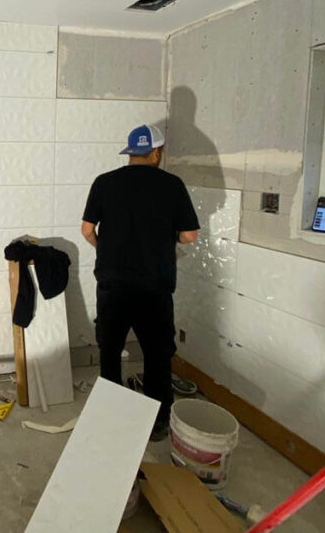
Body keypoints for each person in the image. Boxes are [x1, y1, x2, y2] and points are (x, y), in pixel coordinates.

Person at [80, 123, 199, 440]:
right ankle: (157, 423)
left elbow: (87, 230)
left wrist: (106, 250)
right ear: (156, 153)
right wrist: (164, 242)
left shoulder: (104, 182)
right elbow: (189, 235)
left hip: (113, 285)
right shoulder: (172, 185)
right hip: (154, 287)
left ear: (131, 152)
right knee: (157, 355)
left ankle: (110, 416)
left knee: (110, 351)